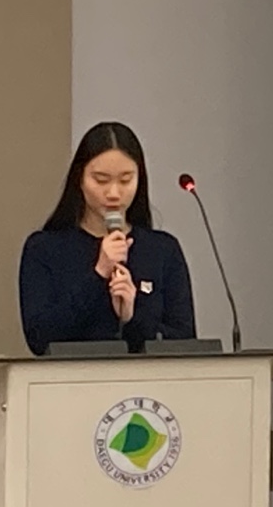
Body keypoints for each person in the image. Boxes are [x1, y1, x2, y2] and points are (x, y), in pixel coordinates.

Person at [19, 121, 195, 354]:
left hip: (147, 377)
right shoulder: (44, 248)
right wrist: (99, 274)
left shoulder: (162, 250)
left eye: (125, 180)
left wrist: (132, 317)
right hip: (72, 376)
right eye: (101, 180)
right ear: (80, 179)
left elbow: (185, 341)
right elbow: (40, 338)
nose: (113, 193)